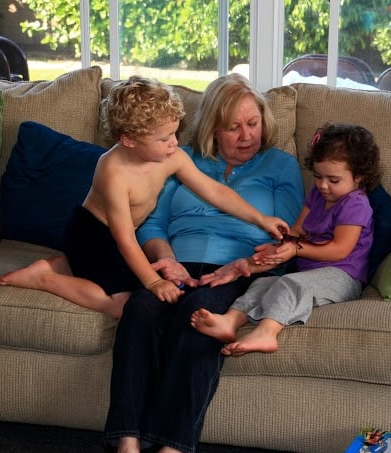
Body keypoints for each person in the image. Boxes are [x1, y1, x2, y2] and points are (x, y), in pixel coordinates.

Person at [103, 73, 304, 453]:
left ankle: (172, 446)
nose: (247, 136)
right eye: (234, 128)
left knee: (198, 318)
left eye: (253, 123)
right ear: (212, 127)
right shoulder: (178, 159)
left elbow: (283, 239)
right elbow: (153, 224)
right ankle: (126, 441)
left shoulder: (280, 166)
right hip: (176, 263)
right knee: (141, 310)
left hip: (235, 267)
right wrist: (166, 261)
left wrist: (243, 265)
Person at [0, 76, 289, 319]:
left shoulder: (171, 156)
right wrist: (153, 281)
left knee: (142, 290)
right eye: (164, 139)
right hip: (94, 235)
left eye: (174, 134)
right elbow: (124, 240)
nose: (174, 143)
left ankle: (63, 264)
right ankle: (45, 278)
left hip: (122, 236)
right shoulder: (113, 172)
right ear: (129, 140)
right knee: (123, 305)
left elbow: (213, 191)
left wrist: (260, 218)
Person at [191, 123, 382, 356]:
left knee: (290, 284)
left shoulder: (355, 204)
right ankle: (230, 321)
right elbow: (295, 233)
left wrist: (296, 249)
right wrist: (264, 257)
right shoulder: (317, 195)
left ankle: (267, 333)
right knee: (262, 284)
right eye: (319, 176)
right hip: (309, 273)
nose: (323, 185)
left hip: (342, 277)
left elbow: (339, 250)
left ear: (359, 178)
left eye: (333, 180)